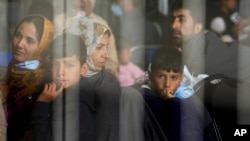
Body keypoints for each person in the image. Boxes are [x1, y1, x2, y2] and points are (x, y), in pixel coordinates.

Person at [61, 17, 121, 141]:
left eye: (107, 47)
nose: (106, 55)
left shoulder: (108, 87)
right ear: (83, 45)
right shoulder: (59, 74)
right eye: (99, 48)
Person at [0, 15, 54, 141]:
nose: (20, 44)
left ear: (43, 46)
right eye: (18, 35)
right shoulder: (10, 71)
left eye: (29, 41)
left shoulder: (45, 83)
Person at [31, 33, 92, 141]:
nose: (60, 72)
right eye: (55, 64)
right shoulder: (61, 93)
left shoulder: (78, 106)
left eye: (69, 65)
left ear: (84, 69)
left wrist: (42, 104)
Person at [139, 47, 209, 141]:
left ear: (181, 79)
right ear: (151, 75)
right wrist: (172, 102)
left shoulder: (188, 100)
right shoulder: (148, 101)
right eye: (161, 76)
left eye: (174, 78)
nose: (167, 84)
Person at [168, 0, 241, 80]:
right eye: (172, 19)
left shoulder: (206, 55)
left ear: (198, 27)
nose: (173, 25)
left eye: (182, 20)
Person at [54, 0, 119, 76]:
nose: (81, 2)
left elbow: (112, 61)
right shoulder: (59, 21)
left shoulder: (101, 23)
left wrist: (107, 70)